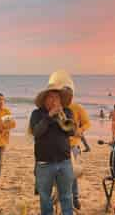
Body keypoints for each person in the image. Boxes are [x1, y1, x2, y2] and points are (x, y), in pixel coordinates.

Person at [30, 84, 75, 215]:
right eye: (51, 97)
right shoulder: (37, 114)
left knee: (66, 196)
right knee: (45, 198)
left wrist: (62, 118)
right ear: (44, 99)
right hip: (44, 163)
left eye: (57, 97)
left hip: (64, 161)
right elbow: (37, 132)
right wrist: (49, 116)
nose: (54, 100)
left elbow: (71, 131)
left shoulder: (67, 112)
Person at [65, 87, 91, 210]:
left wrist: (79, 130)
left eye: (69, 95)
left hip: (73, 145)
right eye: (65, 95)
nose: (67, 97)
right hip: (59, 145)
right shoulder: (58, 108)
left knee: (73, 173)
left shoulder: (77, 107)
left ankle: (75, 198)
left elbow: (87, 123)